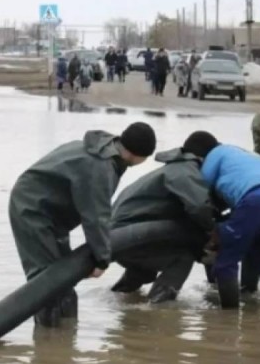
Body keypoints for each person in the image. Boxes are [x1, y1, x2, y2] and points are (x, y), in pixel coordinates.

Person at [9, 123, 157, 327]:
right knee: (46, 285)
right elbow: (96, 215)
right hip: (32, 209)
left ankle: (64, 338)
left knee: (63, 284)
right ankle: (50, 345)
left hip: (51, 215)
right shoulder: (100, 166)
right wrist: (101, 260)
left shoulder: (104, 152)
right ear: (138, 155)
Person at [184, 131, 260, 309]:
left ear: (199, 156)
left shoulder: (213, 156)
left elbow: (202, 192)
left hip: (257, 200)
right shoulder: (241, 153)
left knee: (226, 260)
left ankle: (229, 318)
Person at [110, 141, 219, 303]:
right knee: (183, 257)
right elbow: (200, 208)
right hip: (128, 235)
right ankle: (159, 306)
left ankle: (117, 296)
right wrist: (214, 233)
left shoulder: (172, 169)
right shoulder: (185, 171)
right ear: (204, 158)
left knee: (145, 270)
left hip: (120, 237)